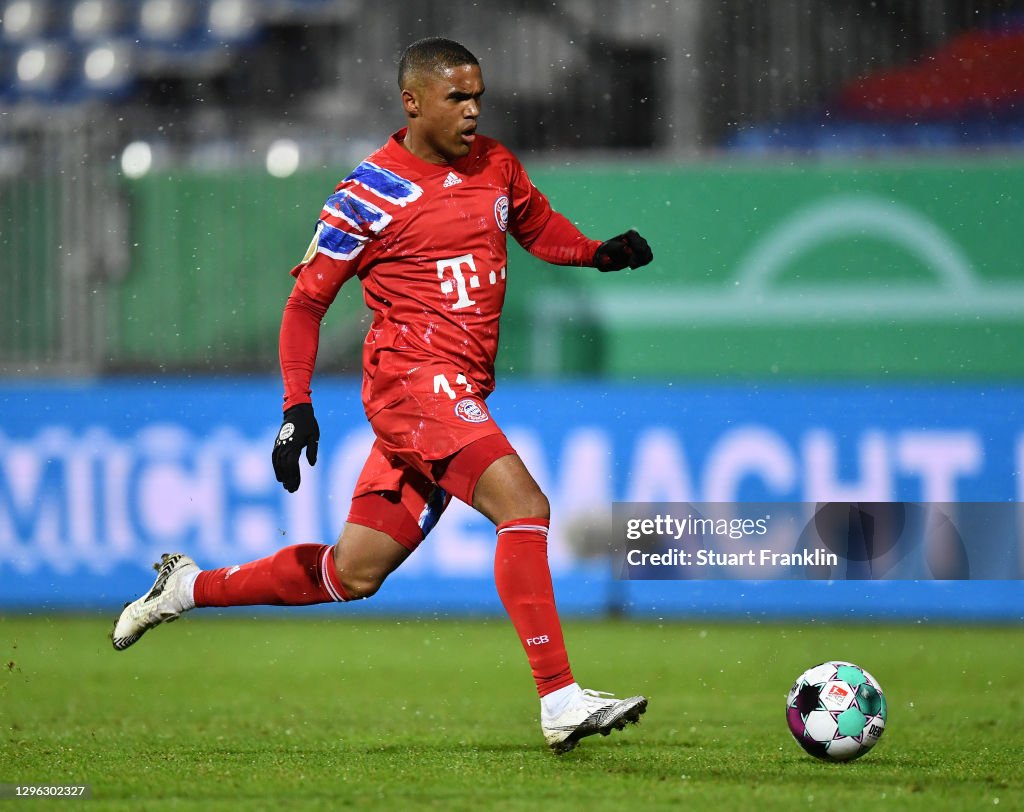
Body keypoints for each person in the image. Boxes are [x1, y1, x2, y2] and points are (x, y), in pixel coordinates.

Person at [112, 37, 653, 754]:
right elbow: (305, 304)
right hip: (413, 387)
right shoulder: (368, 192)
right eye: (457, 97)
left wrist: (594, 252)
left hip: (455, 390)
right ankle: (558, 698)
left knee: (352, 572)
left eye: (479, 96)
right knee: (524, 507)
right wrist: (296, 406)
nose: (472, 110)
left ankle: (185, 589)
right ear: (413, 101)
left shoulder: (495, 164)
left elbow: (532, 223)